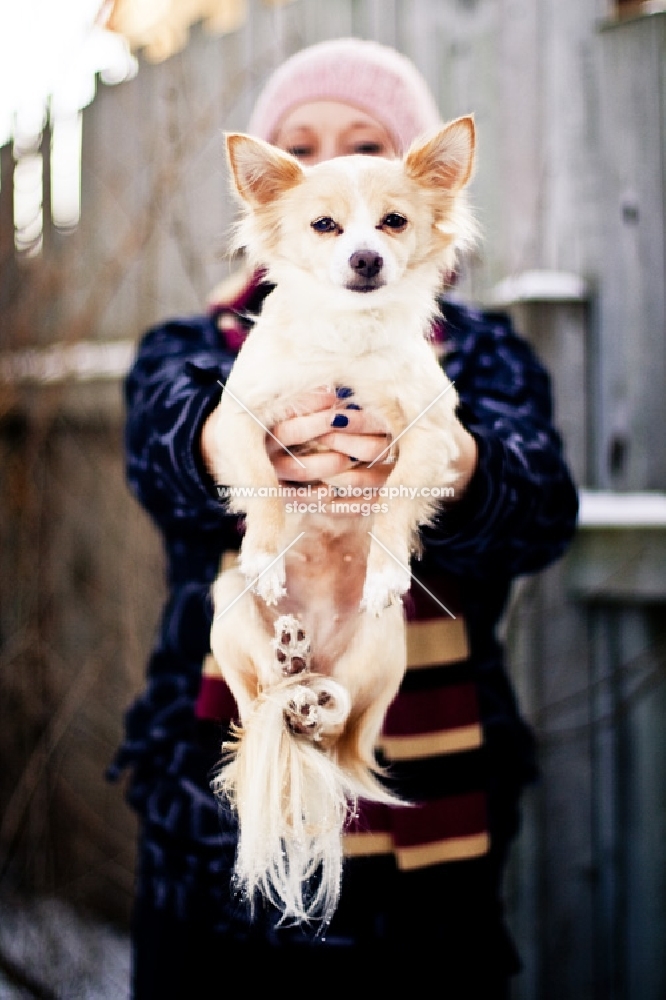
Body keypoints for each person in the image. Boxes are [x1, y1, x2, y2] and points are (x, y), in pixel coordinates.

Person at [108, 37, 578, 998]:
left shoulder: (479, 351)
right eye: (306, 153)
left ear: (421, 207)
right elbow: (157, 443)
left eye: (365, 146)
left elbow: (543, 510)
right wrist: (231, 443)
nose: (343, 189)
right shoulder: (200, 344)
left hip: (434, 838)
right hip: (214, 819)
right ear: (275, 211)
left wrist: (461, 465)